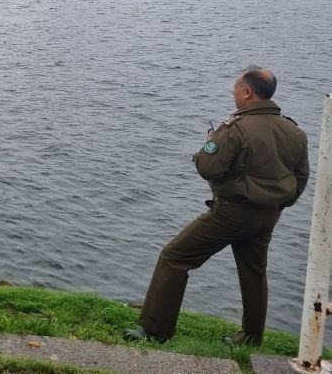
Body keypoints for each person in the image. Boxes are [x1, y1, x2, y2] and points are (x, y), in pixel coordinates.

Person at [124, 66, 309, 345]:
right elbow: (301, 175)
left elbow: (208, 168)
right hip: (268, 215)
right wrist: (281, 204)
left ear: (247, 92)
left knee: (174, 256)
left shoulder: (235, 129)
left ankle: (154, 330)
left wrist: (208, 146)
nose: (233, 93)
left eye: (235, 88)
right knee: (254, 272)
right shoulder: (294, 131)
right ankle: (251, 337)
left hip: (232, 213)